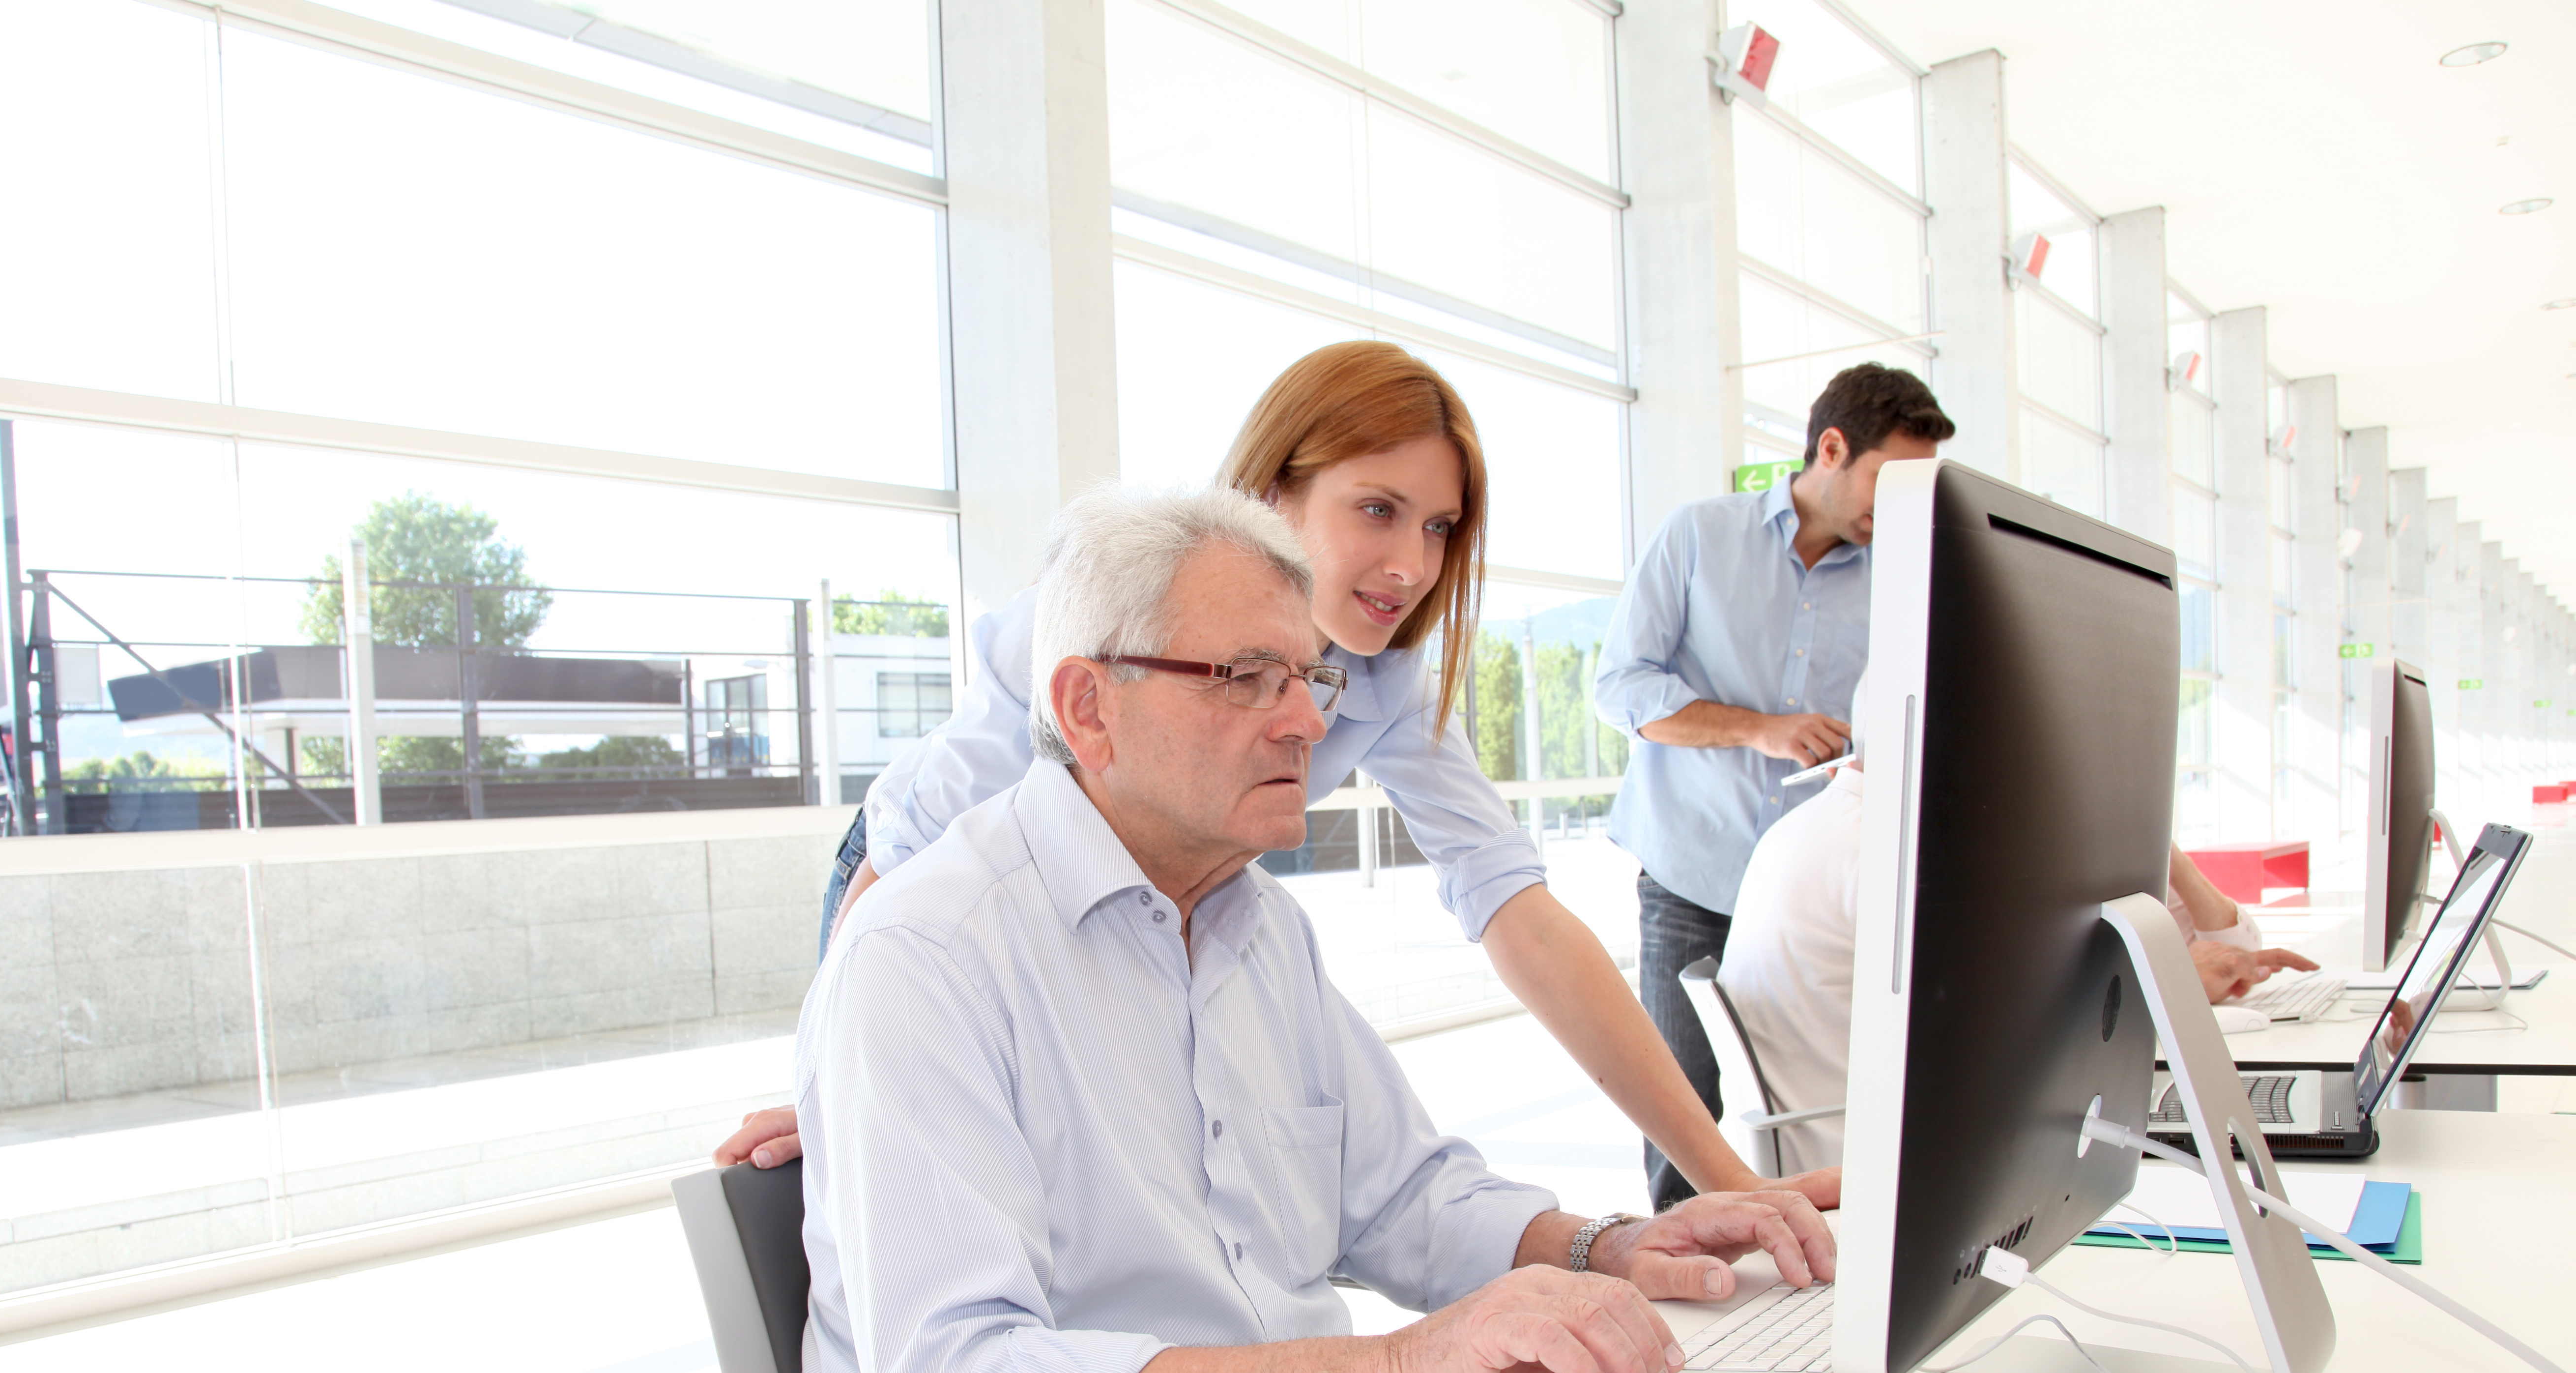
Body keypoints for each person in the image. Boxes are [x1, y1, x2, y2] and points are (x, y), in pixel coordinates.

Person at [797, 487, 1838, 1373]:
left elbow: (1400, 1195)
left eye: (1308, 677)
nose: (1303, 720)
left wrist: (1606, 1243)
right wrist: (1394, 1371)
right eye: (1245, 674)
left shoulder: (1256, 929)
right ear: (1088, 705)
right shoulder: (929, 954)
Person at [721, 342, 1832, 1209]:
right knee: (911, 1169)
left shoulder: (1385, 676)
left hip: (1154, 917)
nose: (1412, 564)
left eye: (1440, 526)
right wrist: (841, 1075)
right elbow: (910, 856)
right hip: (910, 893)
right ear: (1276, 488)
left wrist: (1733, 1179)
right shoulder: (1113, 601)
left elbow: (1522, 917)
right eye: (1376, 509)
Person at [1593, 364, 1953, 1210]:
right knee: (1683, 1107)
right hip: (1694, 875)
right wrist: (1760, 727)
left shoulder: (1899, 580)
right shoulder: (1697, 537)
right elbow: (1622, 688)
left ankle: (1794, 1292)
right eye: (1888, 482)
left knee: (1807, 1106)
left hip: (1810, 901)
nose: (1900, 510)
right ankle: (1689, 1296)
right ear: (1832, 447)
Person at [1716, 708, 2317, 1165]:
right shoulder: (1898, 857)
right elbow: (2028, 1034)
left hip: (1863, 1140)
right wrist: (2165, 982)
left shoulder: (1822, 826)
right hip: (1888, 1164)